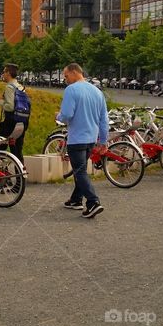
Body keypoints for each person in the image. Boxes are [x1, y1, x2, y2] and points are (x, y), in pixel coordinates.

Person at [55, 63, 108, 219]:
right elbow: (104, 119)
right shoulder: (98, 92)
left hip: (77, 138)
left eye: (66, 76)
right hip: (91, 138)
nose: (65, 79)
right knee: (81, 170)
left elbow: (67, 115)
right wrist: (103, 141)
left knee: (80, 172)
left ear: (74, 72)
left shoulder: (71, 90)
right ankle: (76, 200)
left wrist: (57, 116)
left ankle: (93, 202)